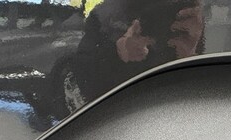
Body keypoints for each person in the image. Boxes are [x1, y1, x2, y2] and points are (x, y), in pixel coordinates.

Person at [74, 0, 204, 102]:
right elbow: (85, 82)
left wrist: (190, 53)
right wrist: (119, 52)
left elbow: (207, 84)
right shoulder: (108, 16)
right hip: (129, 110)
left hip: (182, 105)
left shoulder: (187, 13)